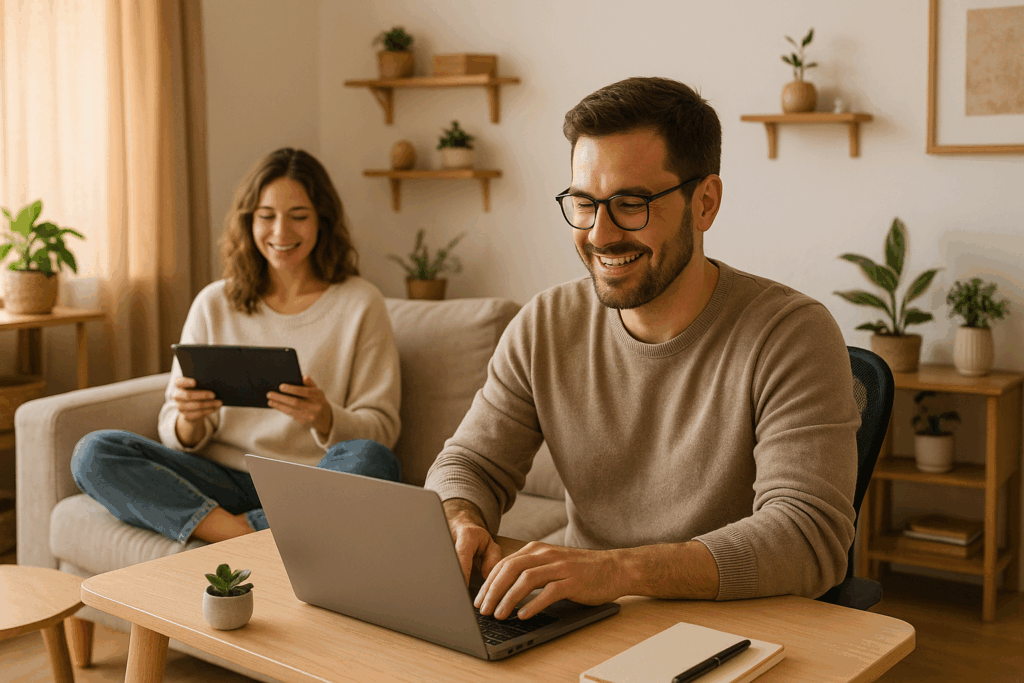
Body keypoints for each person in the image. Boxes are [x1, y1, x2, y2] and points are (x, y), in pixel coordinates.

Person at [424, 77, 860, 621]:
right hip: (584, 619)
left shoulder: (791, 334)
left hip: (738, 628)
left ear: (705, 203)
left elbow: (807, 537)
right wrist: (460, 520)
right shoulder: (544, 324)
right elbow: (470, 464)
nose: (601, 234)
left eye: (630, 204)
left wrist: (615, 571)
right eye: (583, 204)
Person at [72, 148, 402, 544]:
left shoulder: (361, 303)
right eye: (267, 216)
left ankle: (244, 531)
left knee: (373, 460)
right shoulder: (215, 302)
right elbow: (173, 428)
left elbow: (381, 431)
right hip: (220, 479)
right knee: (94, 453)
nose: (281, 233)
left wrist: (324, 416)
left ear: (322, 221)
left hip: (311, 479)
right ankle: (242, 533)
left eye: (298, 216)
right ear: (249, 222)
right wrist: (189, 419)